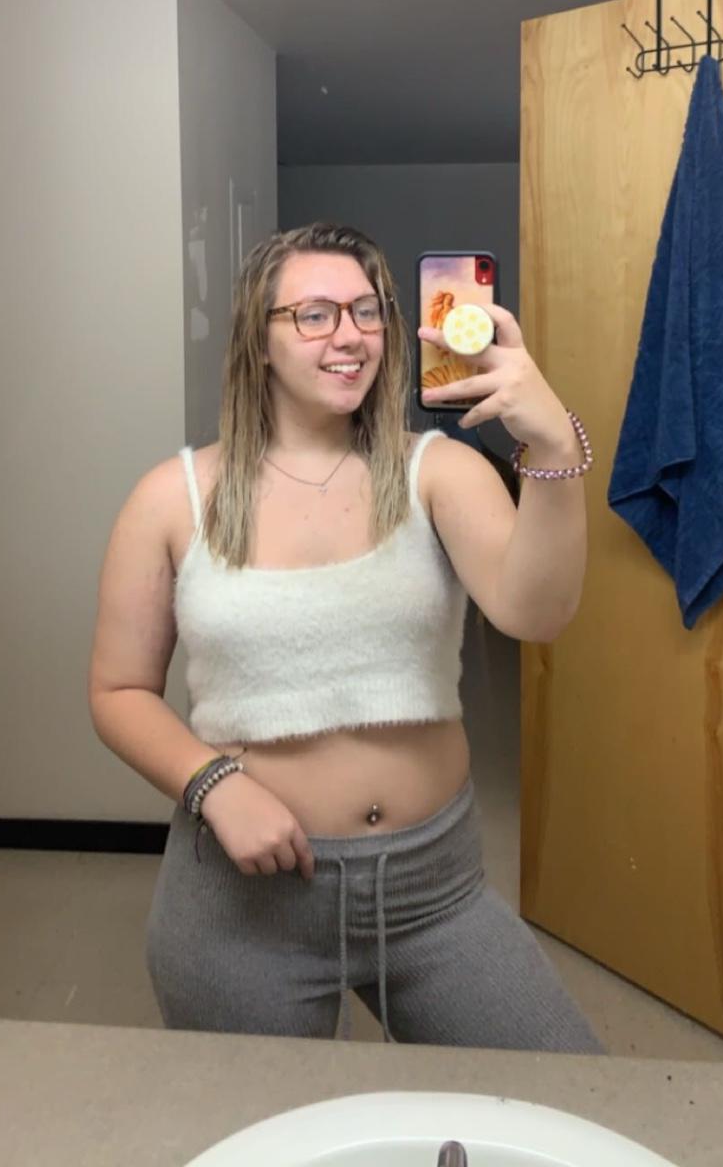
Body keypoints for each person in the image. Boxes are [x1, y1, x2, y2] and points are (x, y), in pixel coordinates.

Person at [89, 221, 601, 1050]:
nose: (351, 336)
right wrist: (214, 785)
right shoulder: (170, 497)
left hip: (433, 895)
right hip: (243, 908)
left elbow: (535, 614)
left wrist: (548, 442)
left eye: (368, 311)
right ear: (258, 340)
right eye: (315, 315)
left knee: (566, 1090)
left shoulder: (438, 471)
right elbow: (118, 692)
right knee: (265, 1123)